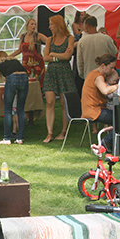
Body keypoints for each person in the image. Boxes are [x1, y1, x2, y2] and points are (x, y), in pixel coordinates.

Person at [42, 14, 77, 143]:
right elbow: (45, 57)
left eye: (51, 24)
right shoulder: (49, 40)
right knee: (50, 102)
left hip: (64, 72)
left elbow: (68, 57)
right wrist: (59, 57)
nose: (49, 27)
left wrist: (53, 55)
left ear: (58, 25)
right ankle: (49, 132)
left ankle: (63, 131)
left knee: (63, 103)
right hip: (51, 72)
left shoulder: (70, 38)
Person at [0, 51, 29, 145]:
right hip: (25, 77)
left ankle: (7, 138)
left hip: (12, 79)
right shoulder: (14, 59)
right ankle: (20, 138)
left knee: (8, 110)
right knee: (21, 109)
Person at [81, 54, 119, 151]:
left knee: (118, 118)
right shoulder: (98, 77)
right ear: (103, 66)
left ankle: (110, 143)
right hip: (94, 111)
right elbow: (105, 90)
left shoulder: (92, 73)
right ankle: (106, 141)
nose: (112, 70)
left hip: (90, 109)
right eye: (111, 67)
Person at [9, 18, 48, 88]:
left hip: (37, 63)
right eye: (32, 24)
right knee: (25, 81)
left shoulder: (38, 36)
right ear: (27, 26)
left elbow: (49, 42)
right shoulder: (23, 36)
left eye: (35, 24)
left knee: (37, 81)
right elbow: (20, 50)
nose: (34, 26)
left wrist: (46, 53)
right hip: (26, 63)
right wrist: (9, 56)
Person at [77, 16, 118, 80]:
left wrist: (82, 74)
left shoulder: (82, 41)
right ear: (96, 25)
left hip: (89, 74)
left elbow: (80, 61)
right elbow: (114, 52)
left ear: (87, 25)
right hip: (105, 74)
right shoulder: (106, 38)